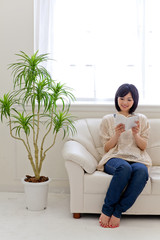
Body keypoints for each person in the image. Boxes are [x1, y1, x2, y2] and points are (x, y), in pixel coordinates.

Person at [98, 83, 152, 228]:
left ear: (135, 101)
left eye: (129, 99)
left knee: (142, 171)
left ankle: (117, 212)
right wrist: (117, 134)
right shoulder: (108, 119)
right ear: (117, 99)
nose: (125, 102)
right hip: (114, 157)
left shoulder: (142, 119)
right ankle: (106, 210)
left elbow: (143, 146)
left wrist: (136, 134)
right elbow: (106, 148)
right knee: (124, 168)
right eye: (122, 98)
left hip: (137, 158)